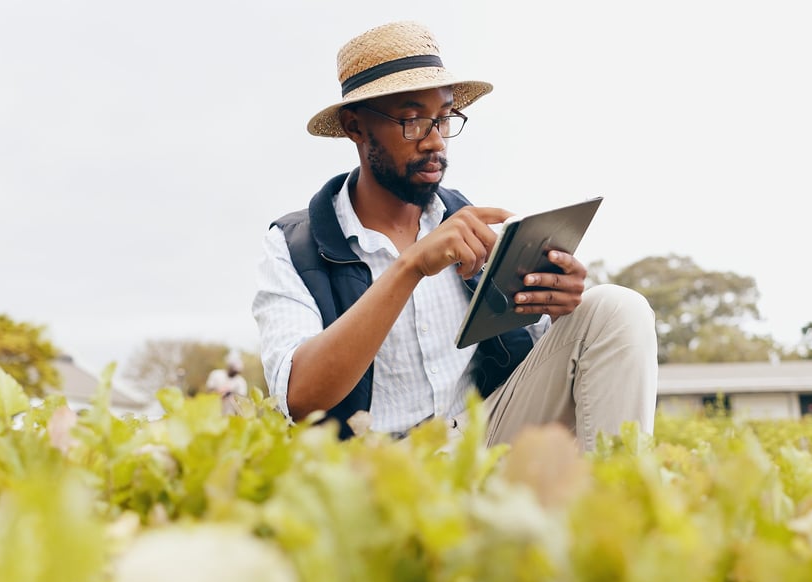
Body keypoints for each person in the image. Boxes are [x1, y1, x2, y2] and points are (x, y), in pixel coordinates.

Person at [252, 21, 658, 452]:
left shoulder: (471, 226)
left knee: (615, 307)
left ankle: (621, 507)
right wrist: (409, 266)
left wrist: (557, 305)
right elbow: (298, 397)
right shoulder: (294, 247)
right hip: (376, 467)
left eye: (444, 119)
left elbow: (541, 353)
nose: (436, 142)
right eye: (411, 120)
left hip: (483, 440)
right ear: (355, 126)